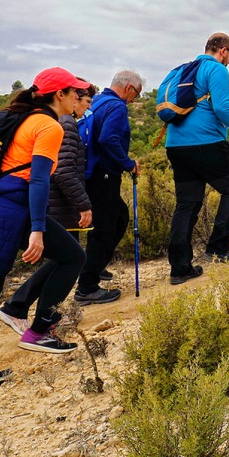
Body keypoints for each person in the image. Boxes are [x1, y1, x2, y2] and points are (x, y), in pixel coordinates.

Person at [0, 67, 90, 393]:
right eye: (74, 91)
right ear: (59, 95)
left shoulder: (24, 118)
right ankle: (39, 331)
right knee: (72, 257)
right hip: (13, 211)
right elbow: (37, 180)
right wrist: (37, 229)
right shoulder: (49, 126)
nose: (79, 97)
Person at [0, 81, 97, 334]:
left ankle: (21, 308)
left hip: (49, 202)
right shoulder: (66, 125)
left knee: (65, 255)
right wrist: (82, 203)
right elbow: (62, 171)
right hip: (59, 203)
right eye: (84, 100)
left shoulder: (52, 122)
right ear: (66, 97)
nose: (85, 106)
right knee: (69, 256)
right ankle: (35, 318)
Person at [165, 33, 229, 283]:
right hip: (206, 143)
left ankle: (180, 268)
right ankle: (217, 248)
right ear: (223, 51)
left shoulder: (180, 71)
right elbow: (222, 107)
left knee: (186, 204)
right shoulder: (216, 70)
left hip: (175, 145)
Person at [76, 70, 144, 304]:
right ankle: (87, 286)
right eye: (136, 94)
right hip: (104, 173)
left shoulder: (97, 101)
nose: (134, 100)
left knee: (119, 218)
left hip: (91, 172)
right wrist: (128, 164)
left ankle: (95, 265)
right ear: (128, 88)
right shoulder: (117, 106)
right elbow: (108, 139)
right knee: (105, 227)